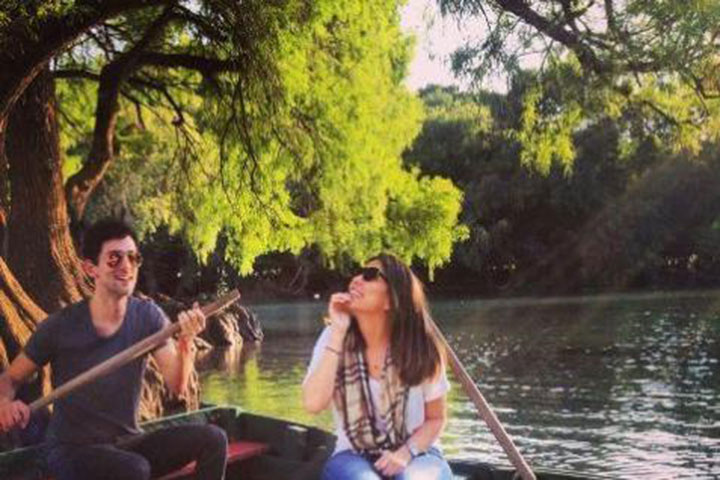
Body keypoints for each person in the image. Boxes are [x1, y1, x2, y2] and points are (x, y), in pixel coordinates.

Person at [0, 219, 228, 480]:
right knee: (134, 469)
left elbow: (177, 386)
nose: (126, 267)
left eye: (133, 258)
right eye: (114, 258)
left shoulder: (148, 317)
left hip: (127, 442)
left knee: (213, 439)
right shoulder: (60, 325)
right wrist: (5, 404)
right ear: (90, 268)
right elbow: (9, 380)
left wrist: (186, 343)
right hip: (71, 451)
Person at [302, 253, 453, 480]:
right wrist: (338, 333)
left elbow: (436, 419)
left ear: (392, 299)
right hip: (353, 455)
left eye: (370, 275)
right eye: (358, 273)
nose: (356, 279)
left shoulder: (421, 346)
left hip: (419, 453)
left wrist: (405, 453)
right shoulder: (333, 335)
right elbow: (313, 404)